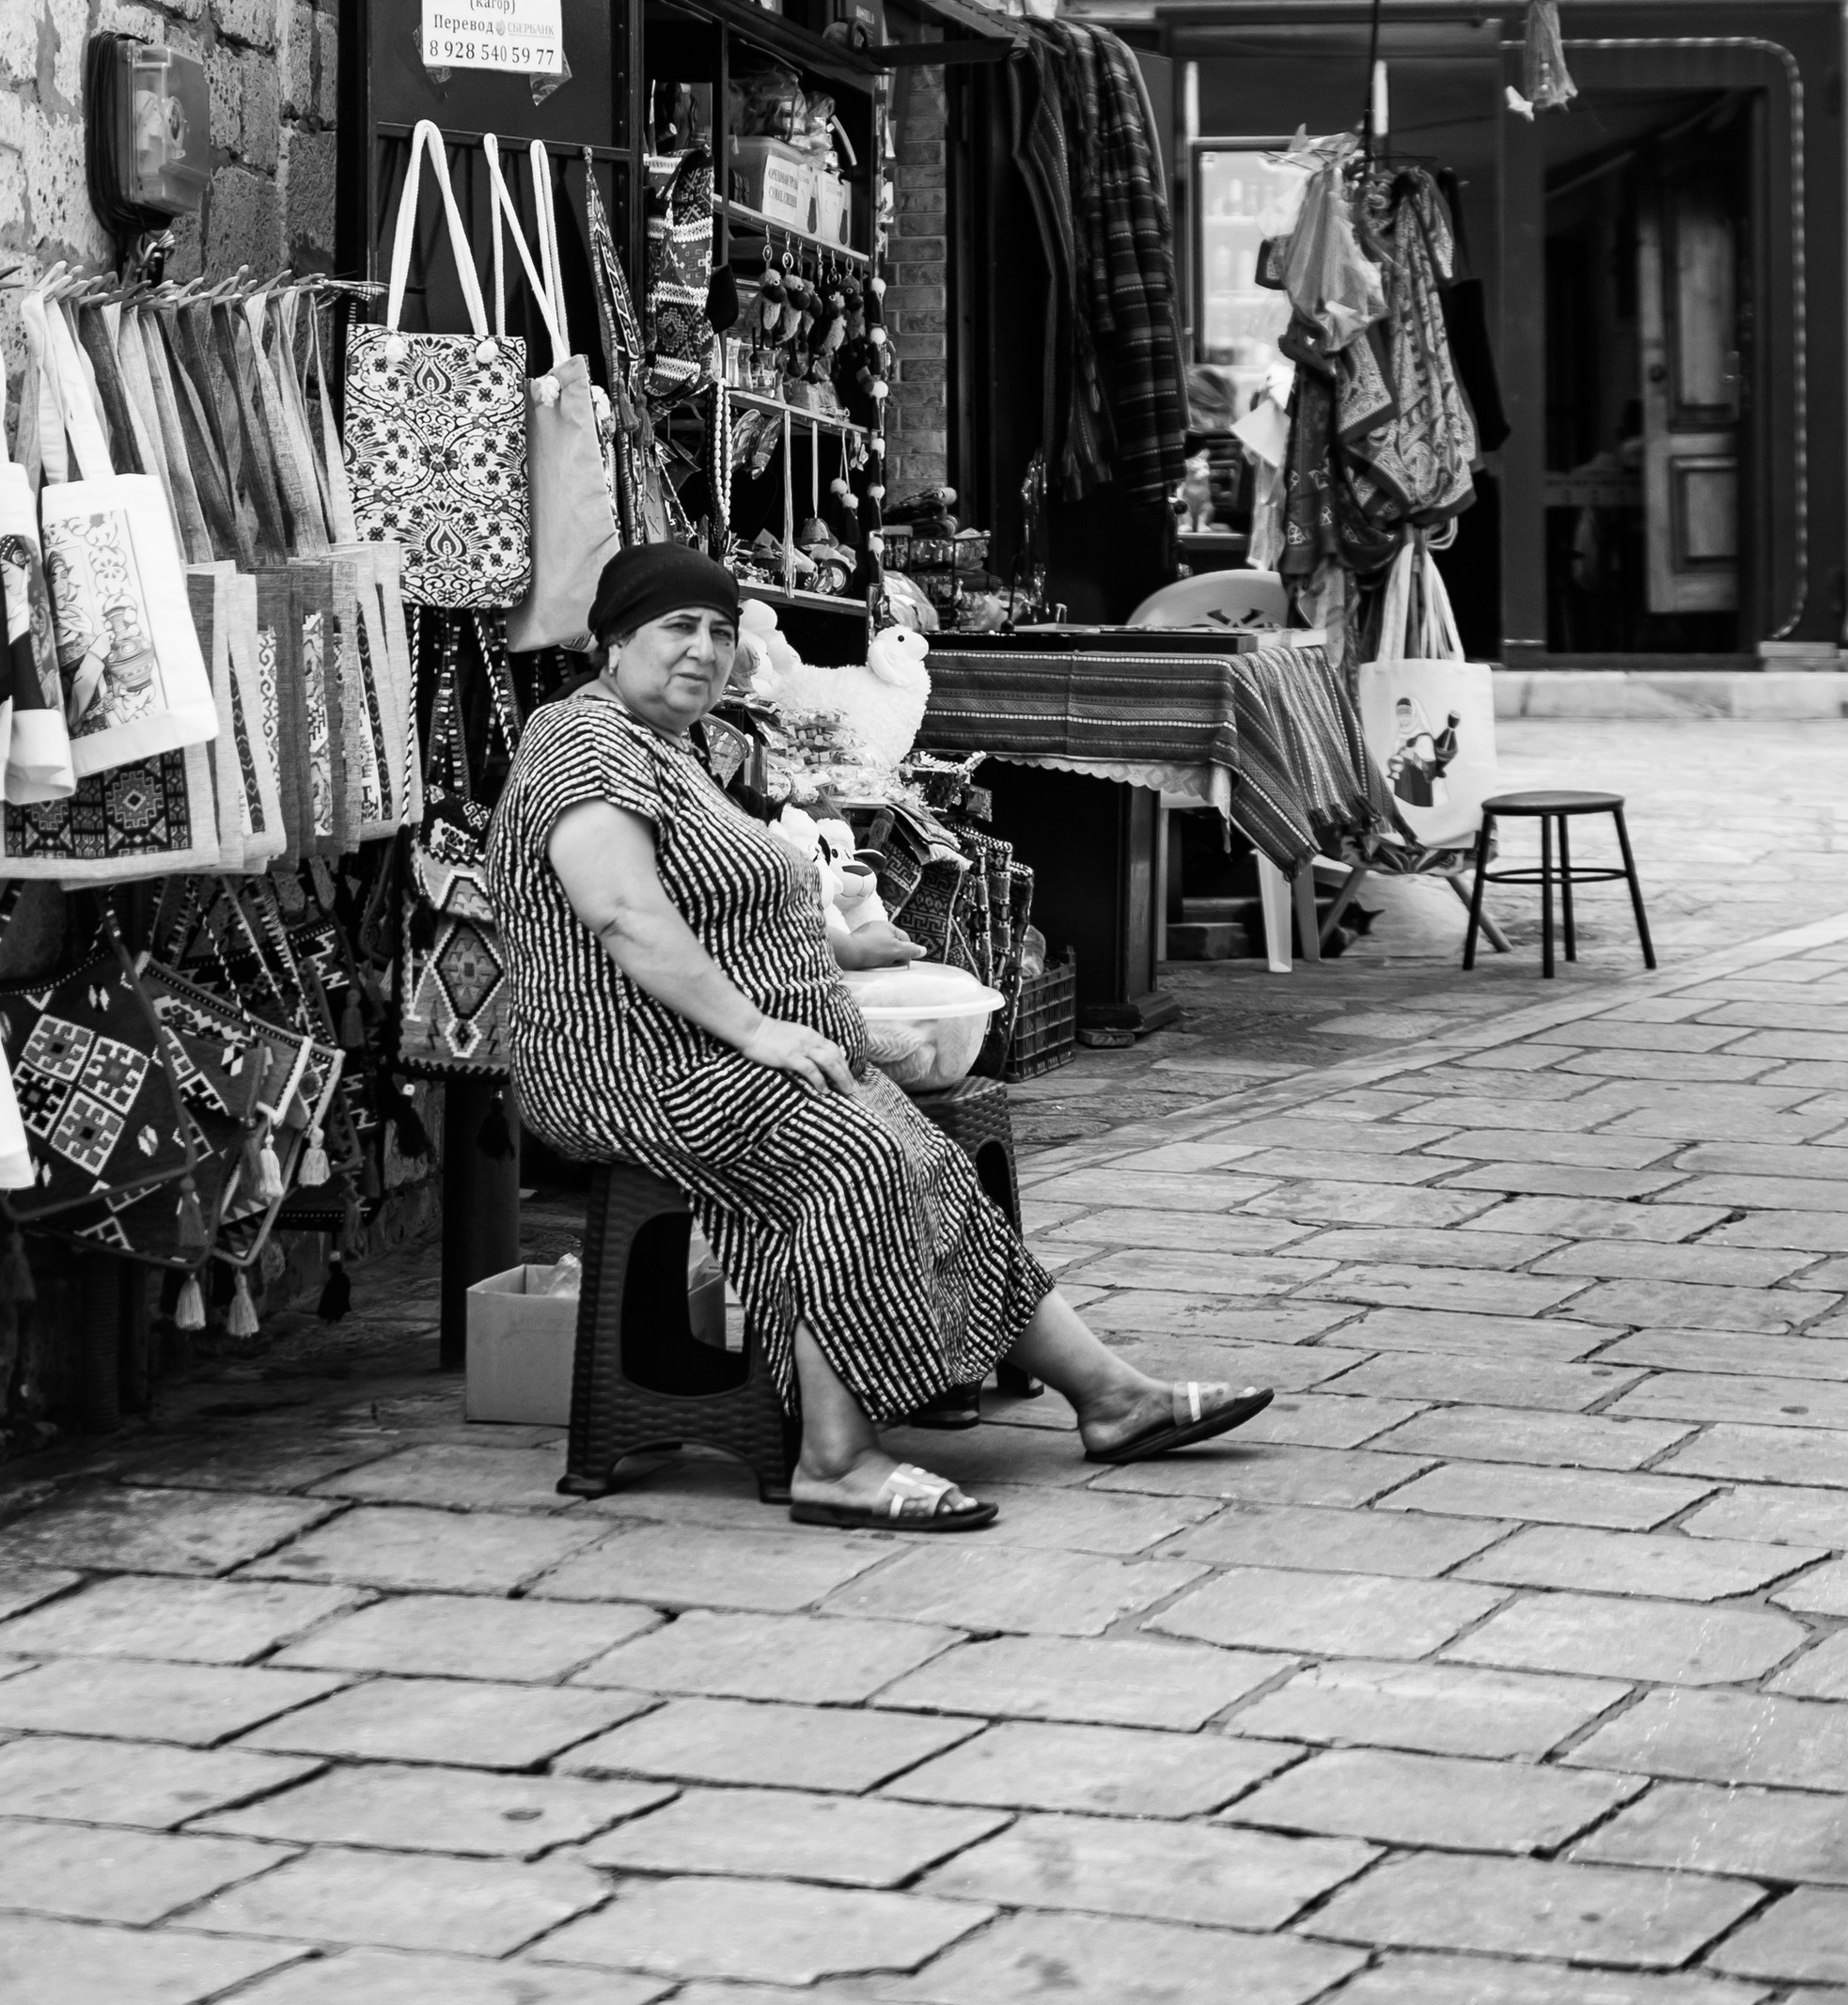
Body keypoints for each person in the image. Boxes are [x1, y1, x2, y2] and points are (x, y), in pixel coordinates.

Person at [485, 542, 1271, 1534]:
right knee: (849, 1160)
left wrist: (838, 957)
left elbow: (724, 900)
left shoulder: (669, 748)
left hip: (722, 1046)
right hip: (627, 1060)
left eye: (720, 631)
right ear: (613, 642)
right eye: (676, 628)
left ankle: (1113, 1399)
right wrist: (759, 1029)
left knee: (921, 1157)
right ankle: (836, 1459)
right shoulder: (580, 746)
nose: (703, 651)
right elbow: (625, 915)